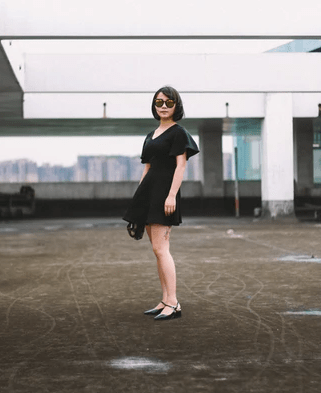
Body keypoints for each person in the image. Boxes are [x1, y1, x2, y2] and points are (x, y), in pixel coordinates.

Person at [123, 86, 199, 321]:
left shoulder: (179, 133)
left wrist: (171, 196)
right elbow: (147, 168)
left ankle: (173, 303)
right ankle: (165, 299)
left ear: (177, 105)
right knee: (157, 251)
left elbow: (181, 165)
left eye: (168, 102)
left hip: (165, 194)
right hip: (148, 194)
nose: (163, 106)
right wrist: (139, 197)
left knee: (161, 249)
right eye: (159, 102)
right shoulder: (150, 136)